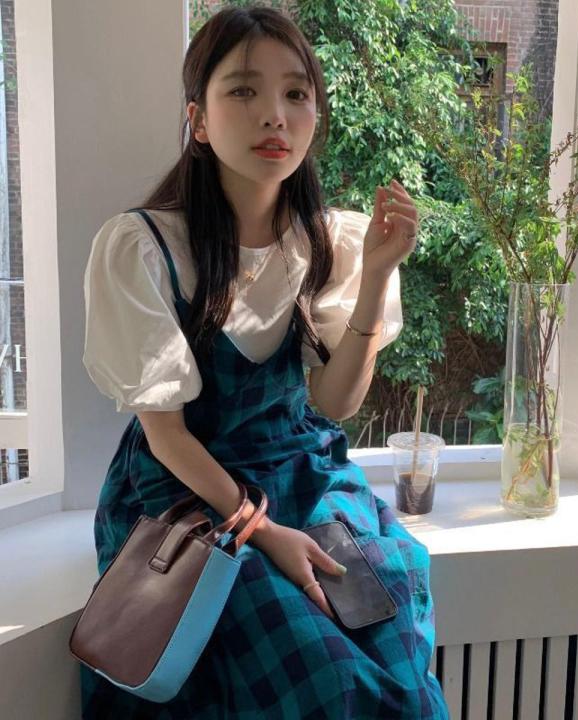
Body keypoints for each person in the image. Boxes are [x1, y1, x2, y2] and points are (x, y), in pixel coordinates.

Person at [80, 4, 449, 719]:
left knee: (398, 658)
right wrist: (263, 532)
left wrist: (377, 275)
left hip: (304, 473)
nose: (274, 115)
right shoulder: (145, 247)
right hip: (189, 494)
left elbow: (334, 404)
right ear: (198, 120)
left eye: (295, 93)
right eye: (244, 90)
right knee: (323, 678)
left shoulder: (332, 242)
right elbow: (166, 437)